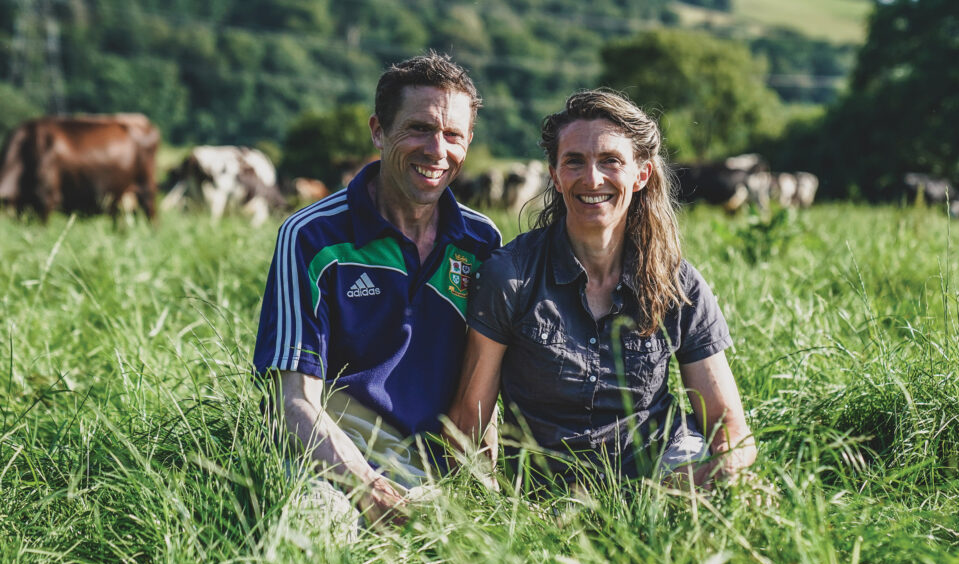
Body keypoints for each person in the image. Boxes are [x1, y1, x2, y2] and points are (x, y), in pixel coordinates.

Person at [447, 89, 756, 488]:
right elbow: (468, 423)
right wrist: (485, 506)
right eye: (574, 162)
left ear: (640, 174)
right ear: (555, 176)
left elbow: (727, 423)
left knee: (742, 496)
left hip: (667, 471)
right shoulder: (510, 276)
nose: (592, 178)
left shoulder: (677, 283)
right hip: (550, 489)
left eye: (610, 161)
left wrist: (722, 473)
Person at [252, 51, 502, 525]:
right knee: (313, 536)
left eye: (453, 135)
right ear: (378, 131)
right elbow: (293, 400)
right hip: (331, 466)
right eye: (419, 129)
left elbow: (482, 385)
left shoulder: (482, 242)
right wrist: (367, 485)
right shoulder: (311, 237)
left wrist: (483, 483)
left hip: (439, 471)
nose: (437, 149)